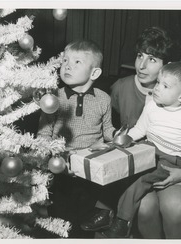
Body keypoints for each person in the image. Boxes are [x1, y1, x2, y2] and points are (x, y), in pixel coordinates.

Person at [80, 26, 181, 239]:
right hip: (133, 170)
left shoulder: (180, 95)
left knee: (175, 207)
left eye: (152, 59)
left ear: (167, 65)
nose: (141, 66)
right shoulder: (120, 88)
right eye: (140, 56)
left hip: (171, 167)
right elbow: (106, 127)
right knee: (145, 208)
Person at [100, 61, 181, 238]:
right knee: (122, 173)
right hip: (148, 152)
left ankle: (121, 220)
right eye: (158, 82)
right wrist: (123, 139)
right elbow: (140, 129)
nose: (157, 88)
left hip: (170, 162)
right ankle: (108, 211)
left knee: (140, 182)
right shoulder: (151, 106)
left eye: (165, 86)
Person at [37, 39, 117, 237]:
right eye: (65, 61)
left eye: (77, 62)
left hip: (91, 168)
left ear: (94, 73)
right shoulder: (53, 98)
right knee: (60, 218)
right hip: (62, 166)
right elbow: (43, 135)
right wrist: (58, 158)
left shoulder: (104, 98)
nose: (67, 66)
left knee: (85, 219)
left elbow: (108, 130)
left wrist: (118, 135)